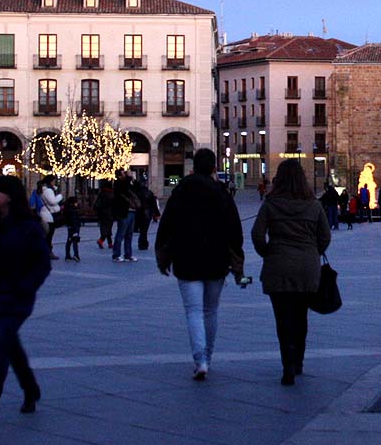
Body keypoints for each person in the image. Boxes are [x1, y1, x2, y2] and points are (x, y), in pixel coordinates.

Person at [0, 175, 51, 427]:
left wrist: (25, 288)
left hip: (17, 298)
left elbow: (42, 264)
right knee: (9, 346)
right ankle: (30, 389)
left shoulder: (28, 226)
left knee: (0, 345)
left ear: (10, 196)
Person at [156, 148, 246, 381]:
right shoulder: (222, 193)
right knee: (211, 310)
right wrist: (236, 258)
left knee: (193, 311)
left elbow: (166, 225)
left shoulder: (181, 192)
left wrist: (163, 255)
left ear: (193, 167)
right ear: (214, 168)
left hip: (187, 259)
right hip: (217, 260)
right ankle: (209, 356)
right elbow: (234, 229)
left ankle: (200, 361)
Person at [251, 159, 331, 385]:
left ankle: (287, 364)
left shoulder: (271, 204)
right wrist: (313, 253)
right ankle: (298, 362)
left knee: (283, 318)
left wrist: (268, 252)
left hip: (279, 265)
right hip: (307, 267)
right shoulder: (313, 205)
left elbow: (257, 234)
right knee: (301, 316)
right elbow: (325, 236)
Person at [112, 169, 138, 262]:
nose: (126, 175)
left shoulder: (128, 183)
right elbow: (124, 187)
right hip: (124, 212)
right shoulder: (118, 184)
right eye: (123, 174)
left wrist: (131, 179)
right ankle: (116, 254)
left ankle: (128, 254)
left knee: (129, 234)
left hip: (132, 211)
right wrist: (129, 176)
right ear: (119, 176)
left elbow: (137, 188)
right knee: (121, 234)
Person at [39, 175, 63, 260]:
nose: (54, 182)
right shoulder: (48, 190)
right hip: (48, 215)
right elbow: (52, 202)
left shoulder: (47, 189)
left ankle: (47, 252)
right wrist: (60, 196)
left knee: (48, 235)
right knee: (49, 235)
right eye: (53, 181)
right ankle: (48, 252)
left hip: (48, 214)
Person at [94, 181, 114, 249]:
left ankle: (110, 243)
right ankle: (101, 240)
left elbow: (97, 204)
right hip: (109, 213)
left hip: (101, 213)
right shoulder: (111, 194)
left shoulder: (101, 194)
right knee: (108, 228)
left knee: (105, 228)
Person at [62, 196, 81, 262]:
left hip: (70, 226)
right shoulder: (73, 210)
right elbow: (74, 220)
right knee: (75, 240)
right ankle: (76, 255)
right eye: (76, 202)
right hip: (74, 227)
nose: (77, 203)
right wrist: (76, 228)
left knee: (69, 240)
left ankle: (67, 255)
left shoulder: (67, 209)